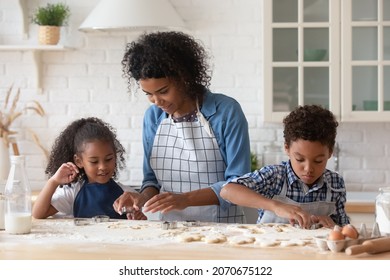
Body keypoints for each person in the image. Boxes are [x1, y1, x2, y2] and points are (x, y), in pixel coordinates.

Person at [115, 31, 251, 223]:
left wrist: (185, 199)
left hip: (222, 229)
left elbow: (239, 183)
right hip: (168, 229)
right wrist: (141, 198)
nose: (156, 101)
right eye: (148, 94)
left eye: (163, 91)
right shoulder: (153, 117)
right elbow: (151, 180)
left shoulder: (225, 112)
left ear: (183, 78)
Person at [221, 105, 350, 229]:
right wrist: (276, 206)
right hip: (271, 251)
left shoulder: (335, 183)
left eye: (318, 161)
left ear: (330, 152)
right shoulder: (274, 176)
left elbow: (344, 230)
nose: (308, 168)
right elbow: (227, 191)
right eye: (300, 159)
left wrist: (331, 224)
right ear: (287, 148)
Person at [32, 117, 145, 220]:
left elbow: (140, 227)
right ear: (79, 161)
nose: (102, 167)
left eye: (108, 159)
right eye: (94, 161)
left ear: (115, 157)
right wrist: (53, 181)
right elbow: (38, 214)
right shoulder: (73, 192)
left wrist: (139, 219)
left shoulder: (127, 195)